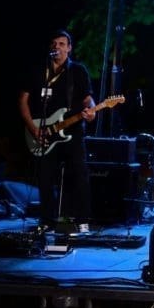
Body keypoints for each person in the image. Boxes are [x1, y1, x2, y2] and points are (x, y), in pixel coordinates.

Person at [18, 30, 96, 229]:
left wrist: (92, 111)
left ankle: (81, 222)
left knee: (79, 176)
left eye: (62, 44)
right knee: (45, 178)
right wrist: (32, 128)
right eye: (54, 43)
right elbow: (23, 100)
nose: (57, 47)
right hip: (42, 132)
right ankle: (46, 221)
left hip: (73, 132)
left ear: (69, 48)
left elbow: (88, 99)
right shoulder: (39, 71)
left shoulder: (78, 71)